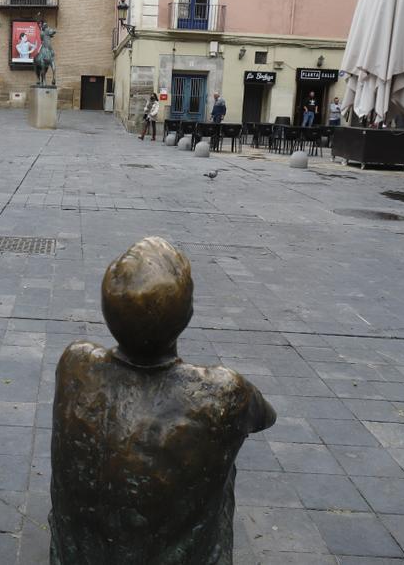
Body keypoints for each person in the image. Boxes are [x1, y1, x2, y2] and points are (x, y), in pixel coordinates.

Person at [49, 237, 276, 564]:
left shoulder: (74, 363)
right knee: (221, 445)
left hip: (79, 554)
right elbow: (265, 418)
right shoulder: (223, 391)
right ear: (188, 312)